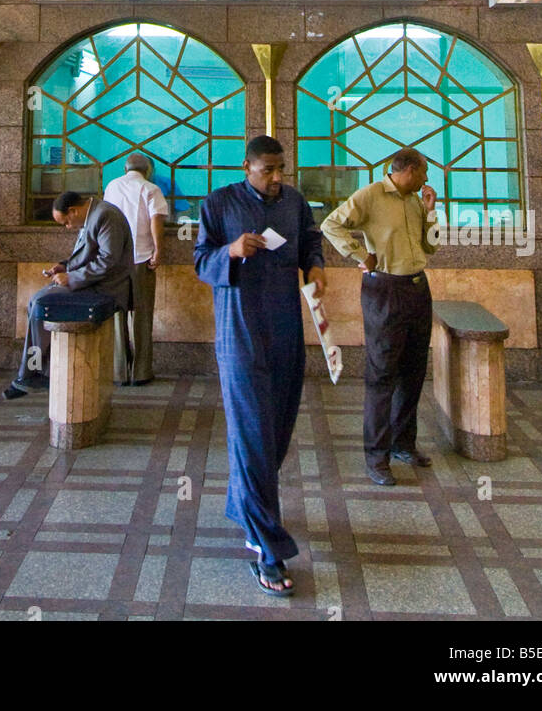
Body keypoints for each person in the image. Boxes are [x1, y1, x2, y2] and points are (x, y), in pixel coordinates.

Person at [194, 135, 326, 597]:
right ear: (246, 166)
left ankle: (244, 507)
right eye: (267, 170)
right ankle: (269, 551)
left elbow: (311, 238)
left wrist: (315, 265)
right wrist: (229, 252)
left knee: (276, 431)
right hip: (240, 332)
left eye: (281, 170)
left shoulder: (294, 202)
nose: (275, 179)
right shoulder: (219, 202)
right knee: (252, 433)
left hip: (286, 326)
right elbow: (199, 261)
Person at [320, 146, 439, 486]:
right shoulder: (370, 195)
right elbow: (332, 224)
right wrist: (359, 254)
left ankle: (404, 444)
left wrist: (431, 212)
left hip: (417, 289)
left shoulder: (416, 200)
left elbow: (431, 247)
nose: (428, 179)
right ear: (410, 170)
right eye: (424, 172)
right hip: (384, 291)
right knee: (382, 373)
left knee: (414, 370)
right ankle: (377, 457)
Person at [2, 190, 134, 400]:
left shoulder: (105, 215)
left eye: (65, 222)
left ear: (73, 211)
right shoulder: (94, 215)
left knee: (39, 304)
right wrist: (63, 267)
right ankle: (35, 371)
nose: (68, 227)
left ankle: (34, 372)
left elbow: (108, 261)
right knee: (35, 303)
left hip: (106, 288)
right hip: (91, 283)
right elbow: (86, 255)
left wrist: (72, 278)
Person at [103, 152, 168, 385]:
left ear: (125, 169)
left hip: (116, 261)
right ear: (148, 170)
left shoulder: (111, 187)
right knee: (142, 316)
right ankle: (141, 373)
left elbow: (105, 220)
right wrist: (158, 250)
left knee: (118, 314)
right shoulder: (151, 189)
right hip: (142, 259)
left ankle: (119, 372)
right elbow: (156, 221)